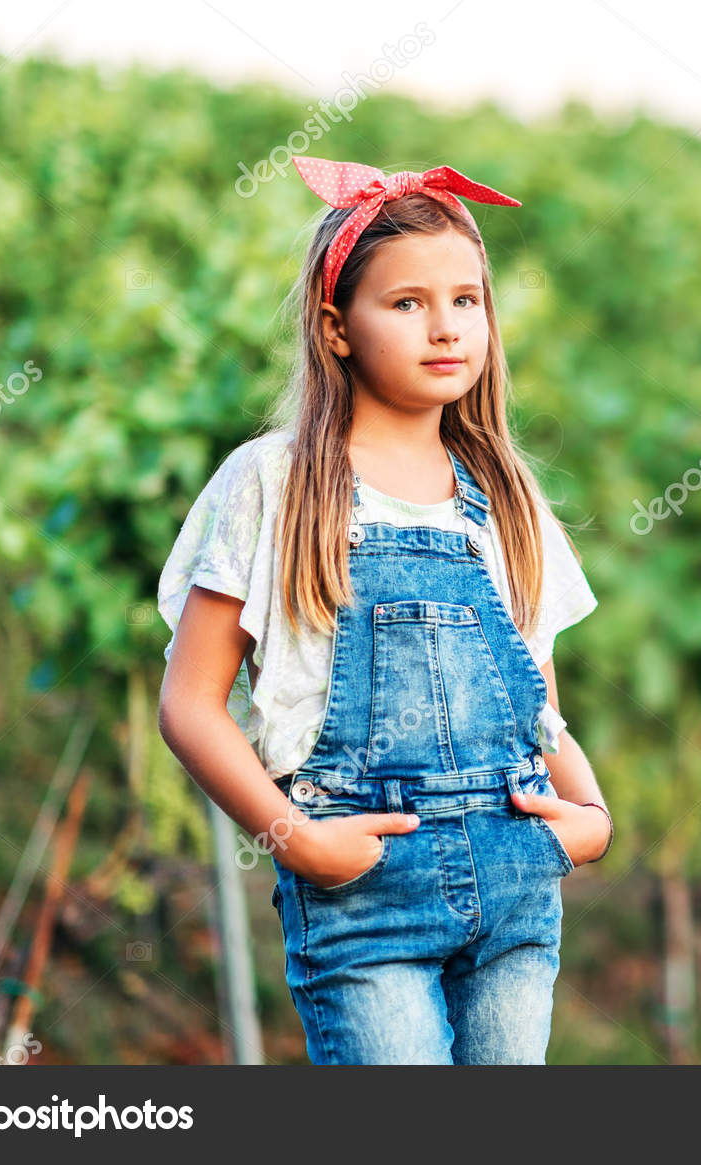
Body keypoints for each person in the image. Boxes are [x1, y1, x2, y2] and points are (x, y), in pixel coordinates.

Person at [156, 156, 611, 1064]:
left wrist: (590, 810)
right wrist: (297, 841)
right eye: (406, 303)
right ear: (335, 328)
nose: (445, 326)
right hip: (364, 893)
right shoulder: (277, 484)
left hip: (518, 879)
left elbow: (536, 705)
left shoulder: (509, 497)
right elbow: (190, 705)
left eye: (466, 300)